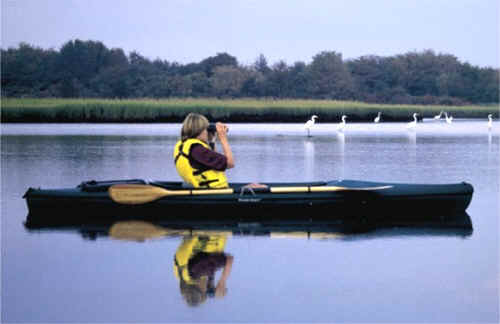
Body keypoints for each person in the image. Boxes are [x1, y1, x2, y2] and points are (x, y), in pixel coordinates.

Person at [173, 113, 266, 189]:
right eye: (206, 129)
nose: (207, 132)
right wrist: (223, 138)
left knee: (254, 186)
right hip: (210, 192)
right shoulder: (197, 149)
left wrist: (212, 142)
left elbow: (213, 164)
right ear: (199, 130)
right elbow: (230, 163)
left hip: (205, 189)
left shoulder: (188, 146)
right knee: (259, 188)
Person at [174, 235, 234, 307]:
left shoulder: (197, 271)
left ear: (200, 288)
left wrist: (222, 282)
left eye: (206, 292)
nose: (207, 289)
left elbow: (229, 260)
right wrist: (210, 283)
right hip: (200, 232)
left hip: (213, 231)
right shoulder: (182, 274)